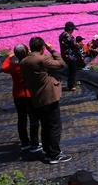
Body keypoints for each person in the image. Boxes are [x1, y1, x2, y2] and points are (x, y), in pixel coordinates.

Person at [20, 36, 72, 164]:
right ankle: (54, 154)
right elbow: (61, 64)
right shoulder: (41, 59)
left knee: (45, 126)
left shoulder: (24, 61)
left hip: (37, 97)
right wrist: (52, 49)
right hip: (49, 97)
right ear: (42, 47)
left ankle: (48, 152)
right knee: (54, 126)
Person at [1, 44, 41, 153]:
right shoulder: (30, 65)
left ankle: (24, 143)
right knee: (33, 119)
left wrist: (9, 56)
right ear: (27, 52)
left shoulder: (14, 67)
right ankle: (35, 143)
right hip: (30, 96)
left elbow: (3, 67)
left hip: (18, 96)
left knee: (22, 119)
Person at [59, 21, 81, 91]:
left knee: (71, 69)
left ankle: (71, 83)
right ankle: (71, 85)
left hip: (64, 54)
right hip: (70, 56)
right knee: (73, 70)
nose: (73, 31)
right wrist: (79, 45)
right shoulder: (68, 36)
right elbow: (75, 45)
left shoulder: (61, 35)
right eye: (73, 29)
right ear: (70, 29)